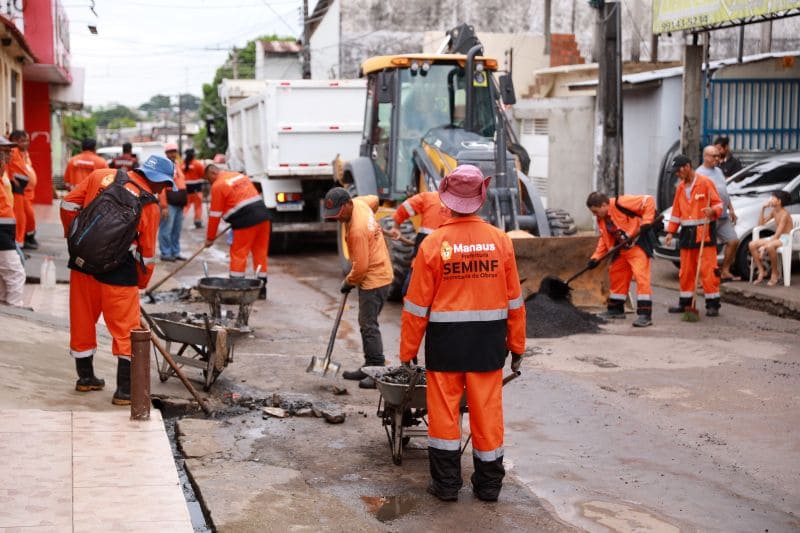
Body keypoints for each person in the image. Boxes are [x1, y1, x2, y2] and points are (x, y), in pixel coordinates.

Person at [399, 164, 525, 502]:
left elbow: (415, 307)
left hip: (446, 346)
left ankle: (447, 485)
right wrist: (517, 346)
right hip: (487, 346)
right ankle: (487, 487)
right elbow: (515, 301)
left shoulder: (433, 244)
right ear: (480, 199)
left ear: (447, 200)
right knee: (487, 415)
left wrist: (407, 352)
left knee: (443, 416)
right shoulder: (500, 241)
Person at [60, 155, 175, 404]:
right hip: (119, 273)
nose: (164, 190)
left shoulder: (101, 175)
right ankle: (124, 392)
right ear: (160, 181)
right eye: (165, 185)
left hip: (82, 265)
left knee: (82, 320)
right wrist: (142, 282)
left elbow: (68, 204)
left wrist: (76, 239)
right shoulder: (150, 205)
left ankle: (85, 379)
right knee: (126, 331)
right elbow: (148, 255)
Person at [323, 186, 393, 389]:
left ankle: (377, 370)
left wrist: (348, 282)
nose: (337, 218)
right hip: (378, 274)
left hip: (375, 278)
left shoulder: (357, 230)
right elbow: (375, 199)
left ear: (347, 204)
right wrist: (376, 227)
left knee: (368, 324)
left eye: (338, 213)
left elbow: (360, 268)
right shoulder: (363, 203)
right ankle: (369, 365)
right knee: (366, 322)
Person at [585, 191, 657, 327]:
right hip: (621, 249)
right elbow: (604, 239)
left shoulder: (621, 203)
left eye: (595, 211)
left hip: (637, 246)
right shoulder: (602, 219)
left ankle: (645, 314)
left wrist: (647, 221)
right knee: (617, 275)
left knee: (641, 277)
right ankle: (616, 309)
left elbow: (648, 200)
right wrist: (595, 258)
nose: (594, 215)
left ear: (604, 205)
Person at [664, 155, 724, 316]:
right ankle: (685, 303)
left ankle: (713, 304)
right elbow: (676, 212)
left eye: (678, 171)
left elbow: (718, 204)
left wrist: (712, 211)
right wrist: (670, 232)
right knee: (686, 271)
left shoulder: (705, 183)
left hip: (704, 233)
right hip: (686, 235)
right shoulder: (680, 188)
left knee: (708, 270)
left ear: (687, 167)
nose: (677, 174)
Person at [204, 164, 270, 298]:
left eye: (208, 180)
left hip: (245, 221)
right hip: (263, 217)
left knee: (239, 254)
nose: (210, 183)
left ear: (212, 173)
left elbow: (215, 215)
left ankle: (236, 289)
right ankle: (261, 290)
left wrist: (210, 238)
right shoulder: (239, 176)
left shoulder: (218, 185)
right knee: (260, 253)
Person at [388, 190, 451, 294]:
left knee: (411, 290)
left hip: (425, 254)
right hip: (448, 259)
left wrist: (396, 227)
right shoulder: (464, 206)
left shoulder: (429, 197)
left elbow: (405, 207)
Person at [696, 145, 740, 282]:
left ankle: (725, 270)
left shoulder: (719, 171)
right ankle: (702, 277)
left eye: (718, 156)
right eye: (713, 156)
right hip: (709, 217)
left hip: (723, 214)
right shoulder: (699, 174)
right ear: (705, 157)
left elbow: (724, 192)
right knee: (706, 249)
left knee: (733, 241)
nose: (717, 158)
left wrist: (731, 208)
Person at [0, 135, 25, 307]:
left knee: (5, 275)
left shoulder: (2, 175)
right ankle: (15, 311)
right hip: (1, 230)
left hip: (6, 229)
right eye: (6, 152)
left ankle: (6, 308)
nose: (10, 155)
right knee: (15, 273)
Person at [749, 190, 794, 286]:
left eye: (773, 198)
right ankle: (761, 271)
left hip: (785, 238)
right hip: (776, 237)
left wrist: (764, 247)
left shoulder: (784, 214)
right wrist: (763, 209)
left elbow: (778, 234)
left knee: (769, 247)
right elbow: (760, 224)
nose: (770, 199)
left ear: (779, 201)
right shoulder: (774, 211)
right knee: (752, 244)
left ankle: (775, 273)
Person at [7, 131, 36, 250]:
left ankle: (22, 242)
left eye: (27, 141)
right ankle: (19, 244)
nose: (26, 143)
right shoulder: (13, 151)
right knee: (20, 217)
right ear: (14, 141)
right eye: (23, 141)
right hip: (16, 188)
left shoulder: (21, 153)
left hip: (22, 190)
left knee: (23, 217)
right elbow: (9, 166)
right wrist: (11, 177)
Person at [158, 143, 188, 261]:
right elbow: (161, 187)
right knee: (166, 229)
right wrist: (164, 206)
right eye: (170, 152)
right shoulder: (164, 167)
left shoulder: (177, 165)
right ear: (166, 154)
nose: (172, 154)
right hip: (169, 203)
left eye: (174, 151)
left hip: (179, 203)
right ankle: (165, 253)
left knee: (176, 230)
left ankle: (175, 252)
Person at [183, 148, 205, 229]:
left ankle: (180, 218)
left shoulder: (181, 164)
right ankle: (198, 221)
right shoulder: (198, 164)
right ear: (194, 155)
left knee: (185, 206)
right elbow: (203, 174)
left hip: (186, 189)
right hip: (197, 189)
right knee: (198, 206)